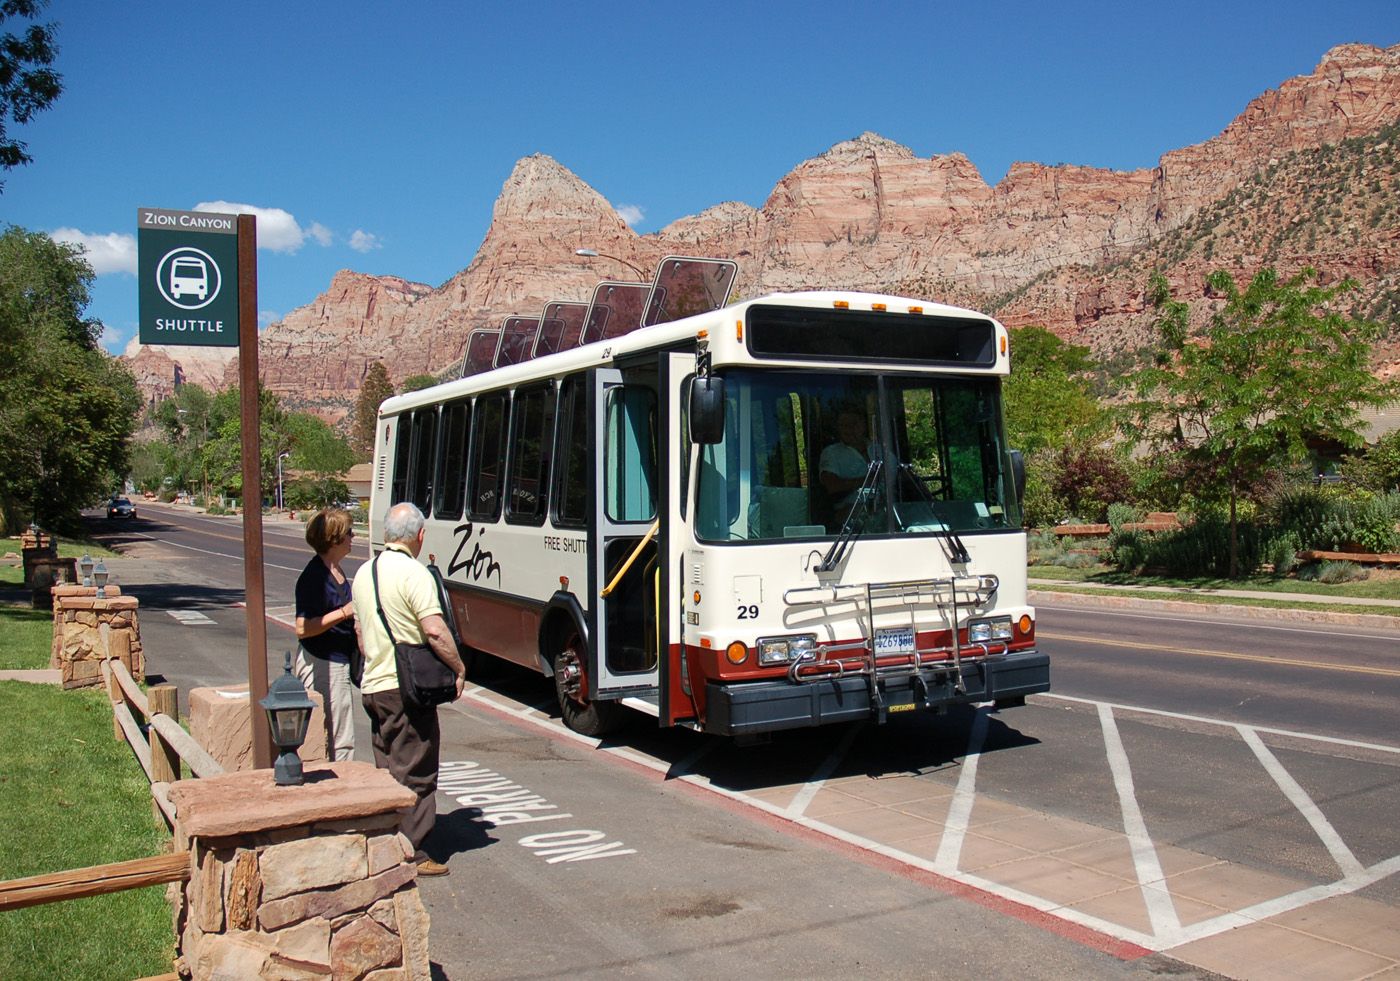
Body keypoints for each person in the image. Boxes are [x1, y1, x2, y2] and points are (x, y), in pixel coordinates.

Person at [351, 502, 467, 878]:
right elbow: (434, 629)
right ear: (419, 536)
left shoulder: (364, 573)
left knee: (387, 767)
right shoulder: (415, 575)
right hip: (405, 689)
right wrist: (458, 667)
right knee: (416, 769)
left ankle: (385, 841)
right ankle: (410, 852)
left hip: (373, 685)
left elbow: (361, 636)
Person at [294, 508, 358, 762]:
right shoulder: (315, 577)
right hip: (323, 662)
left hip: (338, 660)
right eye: (349, 533)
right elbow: (303, 627)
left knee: (340, 732)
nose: (353, 537)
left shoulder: (336, 570)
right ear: (334, 538)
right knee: (335, 737)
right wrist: (344, 612)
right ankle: (339, 786)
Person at [819, 409, 880, 510]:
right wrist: (871, 479)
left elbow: (900, 474)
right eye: (843, 426)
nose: (848, 430)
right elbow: (832, 485)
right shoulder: (831, 453)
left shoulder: (879, 449)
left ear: (863, 425)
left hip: (888, 508)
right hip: (852, 513)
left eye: (853, 424)